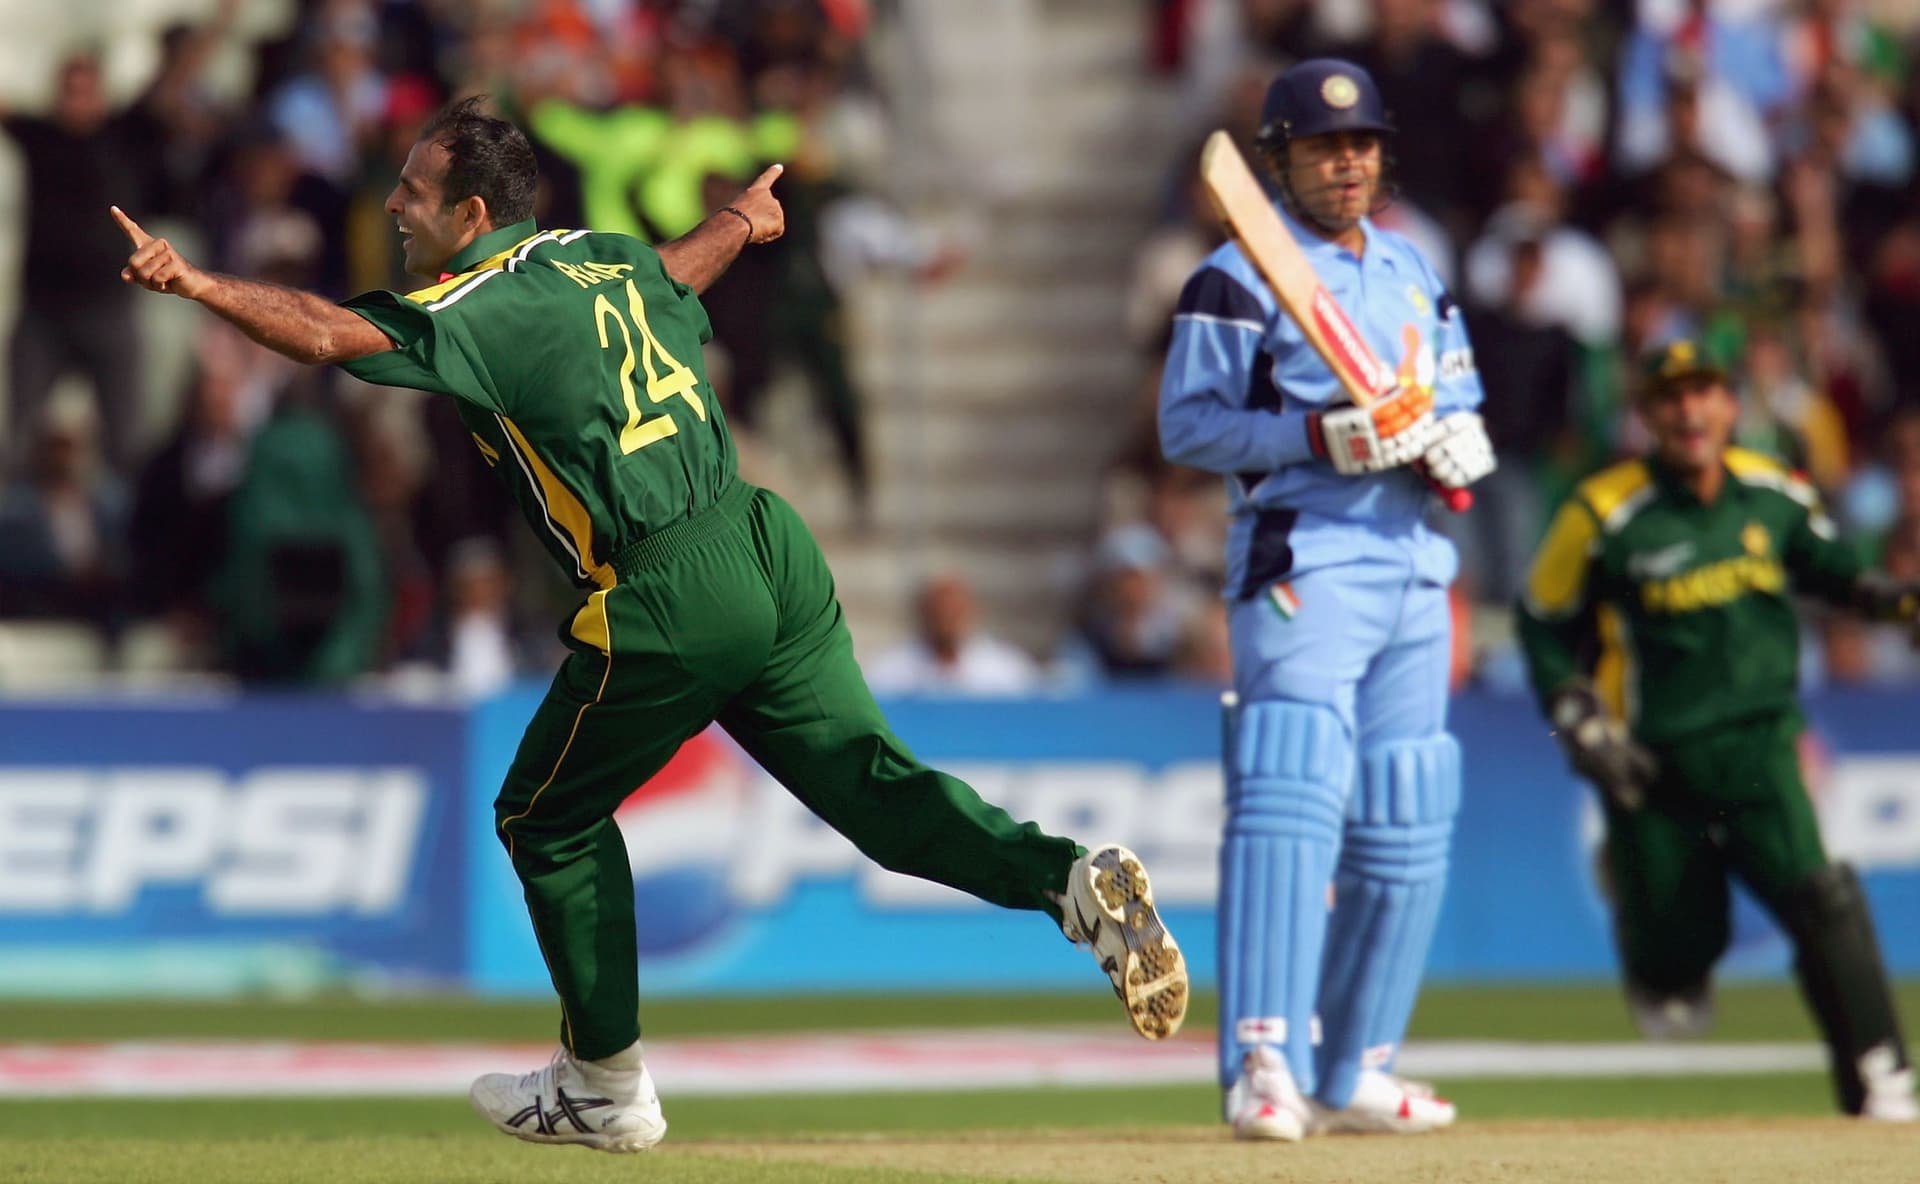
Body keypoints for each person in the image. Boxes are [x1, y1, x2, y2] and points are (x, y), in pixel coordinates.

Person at [113, 96, 1187, 1153]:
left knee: (544, 817)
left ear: (475, 215)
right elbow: (680, 268)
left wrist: (196, 280)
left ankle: (605, 1083)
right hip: (768, 542)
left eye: (414, 191)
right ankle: (1070, 880)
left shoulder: (483, 300)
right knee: (876, 791)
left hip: (671, 586)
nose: (394, 206)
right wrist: (743, 220)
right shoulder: (605, 255)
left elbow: (330, 333)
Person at [1158, 59, 1495, 1142]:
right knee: (1291, 789)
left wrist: (1456, 437)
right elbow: (1189, 427)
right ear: (1281, 161)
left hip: (1413, 560)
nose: (1345, 163)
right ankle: (1266, 1056)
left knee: (1408, 806)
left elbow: (1461, 392)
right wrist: (1318, 434)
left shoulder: (1410, 269)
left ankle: (1354, 1063)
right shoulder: (1232, 277)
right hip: (1306, 555)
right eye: (1320, 147)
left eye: (1360, 146)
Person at [1516, 339, 1918, 1122]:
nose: (1689, 411)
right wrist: (1576, 716)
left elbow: (1838, 575)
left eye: (1704, 392)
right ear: (1646, 414)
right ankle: (1644, 907)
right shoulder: (1604, 512)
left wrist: (1896, 601)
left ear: (1732, 405)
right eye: (1670, 397)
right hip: (1651, 764)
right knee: (1675, 977)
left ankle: (1882, 1081)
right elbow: (1541, 621)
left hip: (1763, 748)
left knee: (1823, 897)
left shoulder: (1775, 493)